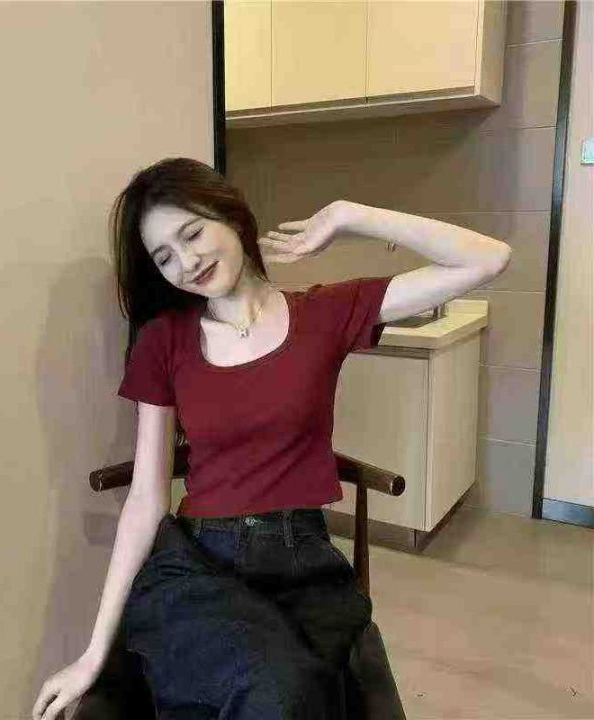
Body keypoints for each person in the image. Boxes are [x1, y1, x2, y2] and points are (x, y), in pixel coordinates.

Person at [32, 157, 512, 720]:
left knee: (295, 692)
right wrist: (93, 653)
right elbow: (145, 498)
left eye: (193, 234)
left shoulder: (326, 312)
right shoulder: (164, 341)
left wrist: (351, 215)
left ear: (230, 215)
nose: (187, 262)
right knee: (279, 690)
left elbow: (488, 258)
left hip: (304, 567)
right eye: (164, 257)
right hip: (199, 566)